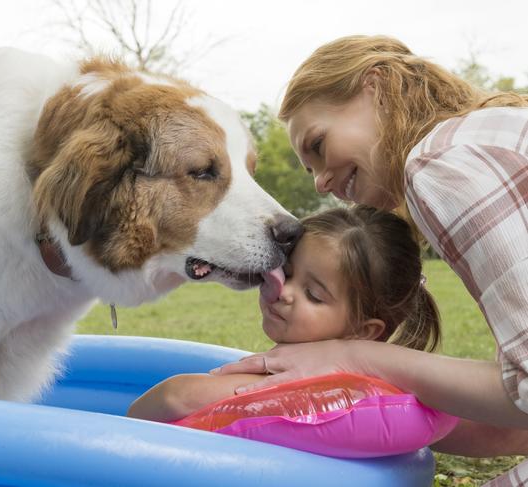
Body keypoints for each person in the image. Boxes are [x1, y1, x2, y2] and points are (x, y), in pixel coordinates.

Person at [211, 35, 528, 484]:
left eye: (318, 145)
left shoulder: (440, 164)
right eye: (309, 169)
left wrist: (356, 357)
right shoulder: (484, 133)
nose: (321, 183)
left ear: (374, 86)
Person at [127, 205, 441, 422]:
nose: (285, 292)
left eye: (314, 295)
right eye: (286, 273)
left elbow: (175, 397)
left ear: (364, 331)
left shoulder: (325, 385)